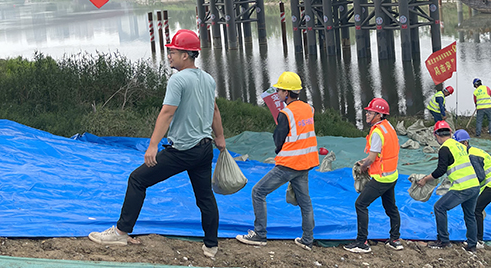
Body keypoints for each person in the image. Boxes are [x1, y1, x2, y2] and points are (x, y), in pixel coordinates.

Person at [88, 30, 225, 259]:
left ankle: (121, 232)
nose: (169, 55)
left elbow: (167, 113)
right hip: (204, 149)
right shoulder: (208, 79)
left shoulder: (178, 79)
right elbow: (215, 110)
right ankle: (211, 245)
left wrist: (152, 146)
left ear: (186, 55)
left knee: (137, 179)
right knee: (205, 198)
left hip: (183, 150)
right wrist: (219, 138)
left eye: (172, 51)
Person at [237, 72, 318, 250]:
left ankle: (259, 234)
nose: (278, 93)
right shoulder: (308, 109)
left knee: (258, 192)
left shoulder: (285, 113)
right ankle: (307, 240)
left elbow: (278, 140)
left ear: (287, 93)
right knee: (305, 202)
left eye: (280, 90)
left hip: (288, 164)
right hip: (305, 163)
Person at [344, 98, 403, 253]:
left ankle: (362, 242)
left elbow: (372, 158)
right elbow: (382, 153)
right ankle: (395, 239)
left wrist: (363, 167)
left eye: (370, 112)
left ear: (379, 114)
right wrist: (368, 161)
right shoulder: (388, 127)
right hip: (392, 176)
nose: (367, 115)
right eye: (367, 112)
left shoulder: (377, 132)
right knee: (391, 207)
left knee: (360, 204)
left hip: (381, 178)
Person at [416, 121, 480, 252]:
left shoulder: (445, 148)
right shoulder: (460, 146)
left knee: (439, 207)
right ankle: (472, 245)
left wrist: (425, 179)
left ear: (436, 135)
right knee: (470, 215)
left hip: (462, 187)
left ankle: (444, 241)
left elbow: (440, 170)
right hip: (474, 185)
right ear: (450, 132)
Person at [453, 130, 491, 246]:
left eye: (458, 145)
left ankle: (478, 240)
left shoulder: (472, 156)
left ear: (465, 143)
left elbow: (480, 176)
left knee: (476, 209)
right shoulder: (474, 151)